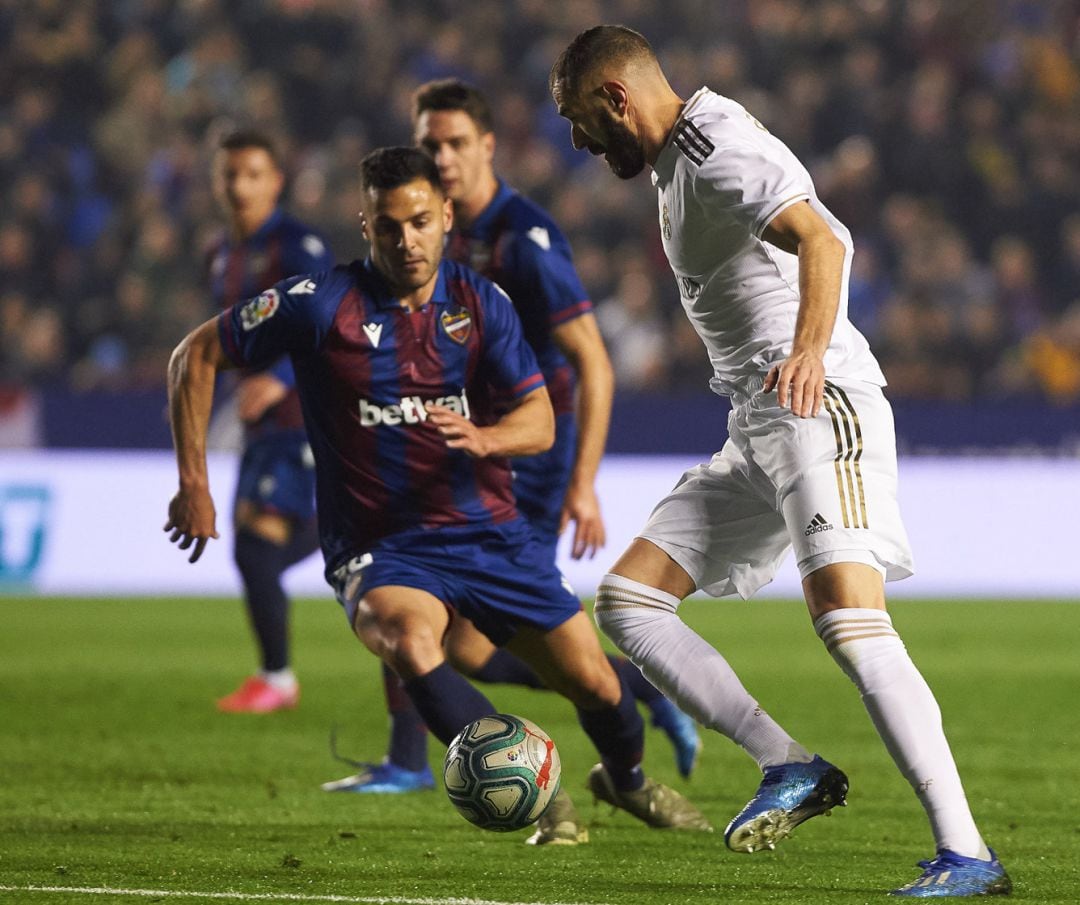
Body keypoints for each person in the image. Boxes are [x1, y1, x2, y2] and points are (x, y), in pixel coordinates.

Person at [549, 25, 1010, 897]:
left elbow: (824, 239)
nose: (578, 141)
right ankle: (788, 763)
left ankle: (968, 852)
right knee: (630, 600)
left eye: (580, 119)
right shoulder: (674, 163)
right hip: (757, 423)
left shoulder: (713, 143)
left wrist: (805, 351)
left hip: (814, 397)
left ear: (615, 97)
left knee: (845, 613)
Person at [164, 146, 710, 845]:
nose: (406, 239)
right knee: (408, 638)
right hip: (385, 547)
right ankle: (539, 794)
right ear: (365, 224)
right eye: (388, 225)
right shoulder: (320, 303)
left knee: (598, 685)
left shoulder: (482, 304)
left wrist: (487, 439)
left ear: (446, 216)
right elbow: (195, 355)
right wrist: (194, 484)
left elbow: (539, 420)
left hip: (491, 535)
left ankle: (627, 781)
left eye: (420, 221)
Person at [320, 79, 700, 796]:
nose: (442, 155)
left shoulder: (522, 239)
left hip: (526, 456)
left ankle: (625, 705)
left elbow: (592, 360)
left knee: (489, 636)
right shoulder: (427, 226)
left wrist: (583, 481)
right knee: (423, 597)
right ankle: (422, 754)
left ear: (487, 146)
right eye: (430, 143)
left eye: (455, 143)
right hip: (455, 443)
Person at [206, 129, 333, 713]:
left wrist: (279, 378)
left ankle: (277, 678)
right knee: (250, 549)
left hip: (302, 414)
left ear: (275, 181)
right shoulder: (223, 256)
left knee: (257, 548)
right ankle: (276, 675)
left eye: (252, 175)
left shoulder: (295, 246)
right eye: (230, 175)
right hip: (262, 423)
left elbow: (329, 317)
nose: (239, 187)